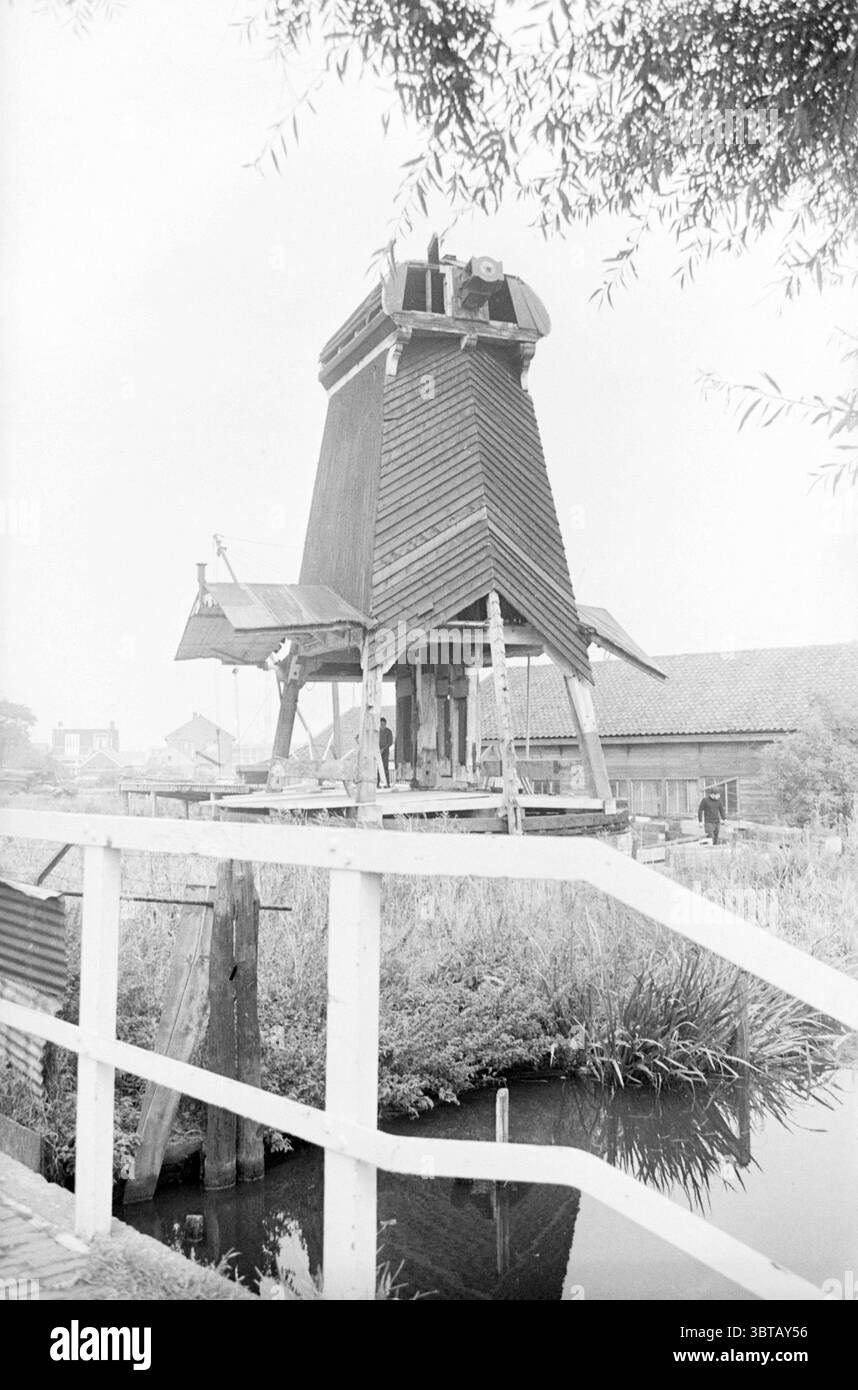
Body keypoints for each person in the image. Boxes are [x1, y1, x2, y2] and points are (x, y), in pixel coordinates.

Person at [378, 717, 394, 788]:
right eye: (381, 724)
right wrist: (378, 750)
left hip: (385, 751)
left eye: (384, 724)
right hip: (377, 752)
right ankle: (377, 783)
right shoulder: (377, 731)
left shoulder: (388, 731)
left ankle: (387, 783)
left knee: (385, 767)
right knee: (378, 768)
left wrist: (383, 749)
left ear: (385, 724)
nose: (382, 726)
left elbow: (390, 742)